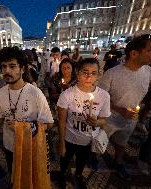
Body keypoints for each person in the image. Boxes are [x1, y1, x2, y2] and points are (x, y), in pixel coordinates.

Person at [0, 47, 54, 179]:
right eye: (4, 66)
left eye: (12, 66)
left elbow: (48, 124)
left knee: (31, 178)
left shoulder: (35, 93)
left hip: (30, 146)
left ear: (23, 69)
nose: (7, 71)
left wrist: (23, 127)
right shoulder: (0, 93)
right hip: (9, 146)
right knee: (14, 176)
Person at [99, 34, 151, 180]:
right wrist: (119, 110)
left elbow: (141, 92)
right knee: (100, 141)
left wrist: (139, 109)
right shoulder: (112, 74)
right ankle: (94, 157)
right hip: (109, 117)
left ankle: (118, 163)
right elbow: (100, 99)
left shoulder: (148, 71)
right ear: (133, 53)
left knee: (122, 142)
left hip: (131, 118)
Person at [57, 58, 111, 189]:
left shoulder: (104, 96)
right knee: (65, 159)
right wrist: (62, 143)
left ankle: (79, 175)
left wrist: (97, 121)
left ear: (98, 75)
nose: (89, 76)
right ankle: (62, 175)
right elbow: (62, 121)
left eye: (93, 73)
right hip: (70, 138)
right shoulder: (67, 95)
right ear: (77, 72)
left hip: (88, 139)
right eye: (85, 72)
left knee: (82, 161)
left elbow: (104, 120)